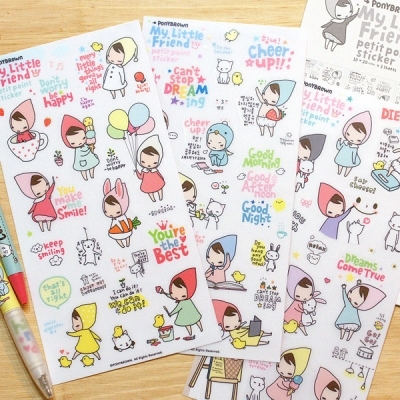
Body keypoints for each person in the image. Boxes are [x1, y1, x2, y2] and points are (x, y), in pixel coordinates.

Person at [157, 268, 202, 340]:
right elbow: (173, 296)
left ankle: (194, 333)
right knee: (196, 321)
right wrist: (164, 293)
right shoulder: (181, 299)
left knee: (188, 324)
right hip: (191, 314)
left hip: (188, 314)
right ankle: (198, 331)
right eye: (172, 292)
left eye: (182, 295)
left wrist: (171, 313)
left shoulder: (183, 302)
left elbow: (177, 309)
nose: (175, 296)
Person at [61, 115, 99, 180]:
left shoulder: (87, 142)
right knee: (82, 169)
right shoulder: (78, 149)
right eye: (73, 143)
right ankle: (85, 178)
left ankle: (92, 175)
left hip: (89, 156)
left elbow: (92, 140)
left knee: (92, 165)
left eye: (83, 138)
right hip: (81, 160)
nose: (80, 143)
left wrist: (90, 131)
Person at [334, 111, 371, 177]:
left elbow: (354, 154)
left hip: (350, 159)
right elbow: (339, 147)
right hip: (342, 156)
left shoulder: (354, 147)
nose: (351, 139)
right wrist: (338, 142)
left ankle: (346, 175)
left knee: (349, 166)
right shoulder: (345, 143)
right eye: (348, 134)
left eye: (358, 140)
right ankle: (338, 172)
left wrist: (353, 161)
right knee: (340, 164)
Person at [135, 135, 165, 202]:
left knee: (159, 188)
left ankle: (161, 197)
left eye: (154, 162)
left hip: (157, 181)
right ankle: (153, 200)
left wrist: (162, 178)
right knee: (149, 191)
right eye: (143, 161)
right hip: (147, 183)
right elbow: (140, 177)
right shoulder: (144, 171)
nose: (148, 165)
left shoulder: (155, 170)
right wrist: (137, 172)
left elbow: (159, 174)